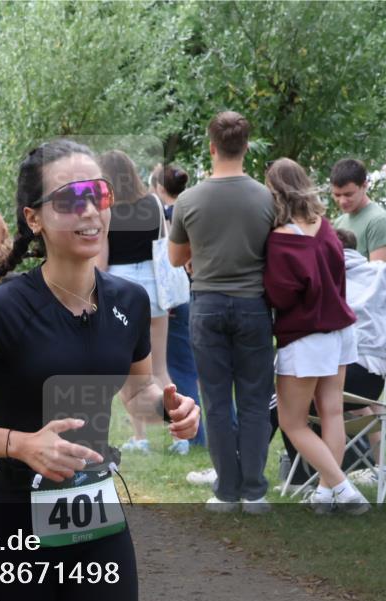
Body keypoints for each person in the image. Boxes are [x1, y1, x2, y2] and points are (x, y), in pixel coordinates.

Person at [0, 139, 199, 601]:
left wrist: (169, 408)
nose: (89, 211)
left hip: (96, 524)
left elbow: (137, 390)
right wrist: (21, 445)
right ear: (34, 218)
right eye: (69, 199)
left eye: (98, 195)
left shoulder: (129, 300)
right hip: (7, 531)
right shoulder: (3, 309)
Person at [276, 227, 386, 488]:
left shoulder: (319, 274)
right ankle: (342, 475)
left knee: (283, 401)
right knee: (331, 404)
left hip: (334, 365)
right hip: (373, 380)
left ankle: (301, 478)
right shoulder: (382, 272)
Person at [168, 111, 275, 513]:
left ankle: (226, 491)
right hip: (253, 306)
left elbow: (176, 257)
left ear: (211, 147)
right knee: (254, 400)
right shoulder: (267, 198)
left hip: (207, 304)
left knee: (214, 401)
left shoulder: (189, 200)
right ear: (246, 147)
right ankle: (254, 491)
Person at [263, 158, 369, 515]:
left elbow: (280, 296)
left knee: (292, 422)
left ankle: (343, 488)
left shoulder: (281, 240)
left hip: (306, 335)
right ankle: (325, 494)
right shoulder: (326, 228)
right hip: (340, 330)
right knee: (331, 413)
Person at [99, 150, 182, 454]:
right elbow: (165, 246)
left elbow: (102, 259)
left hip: (120, 286)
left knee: (129, 370)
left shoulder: (106, 208)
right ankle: (179, 436)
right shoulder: (154, 203)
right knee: (159, 368)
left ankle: (140, 437)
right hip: (154, 286)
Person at [151, 162, 206, 451]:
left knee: (179, 368)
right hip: (193, 294)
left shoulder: (167, 216)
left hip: (175, 297)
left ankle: (194, 435)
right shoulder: (193, 210)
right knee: (187, 365)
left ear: (160, 188)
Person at [331, 158, 386, 261]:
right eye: (337, 195)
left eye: (348, 194)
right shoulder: (339, 222)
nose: (342, 201)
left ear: (364, 186)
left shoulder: (377, 221)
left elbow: (379, 269)